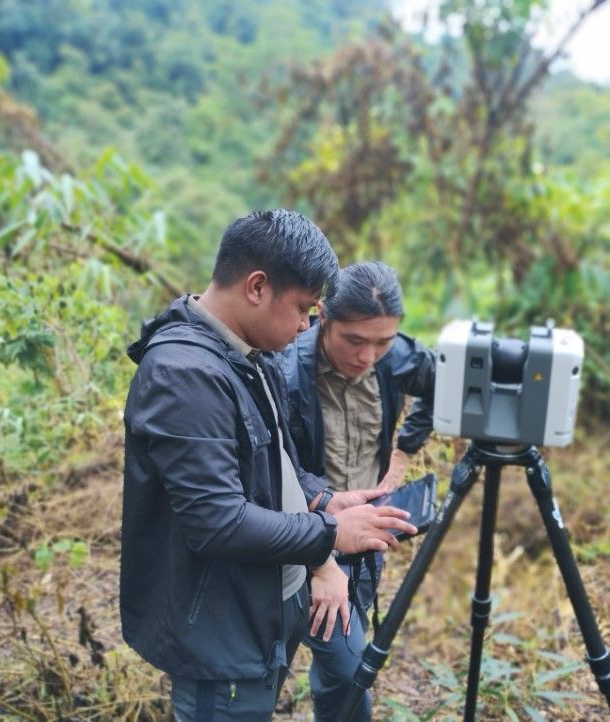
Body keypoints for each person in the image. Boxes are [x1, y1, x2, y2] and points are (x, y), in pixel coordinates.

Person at [120, 210, 418, 722]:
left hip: (256, 612)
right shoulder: (185, 374)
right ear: (257, 287)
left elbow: (274, 461)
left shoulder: (245, 355)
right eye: (302, 308)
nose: (306, 324)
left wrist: (323, 497)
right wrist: (330, 531)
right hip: (219, 630)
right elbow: (218, 522)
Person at [281, 261, 436, 721]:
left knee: (337, 668)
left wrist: (404, 453)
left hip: (366, 545)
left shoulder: (396, 357)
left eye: (382, 342)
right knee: (349, 666)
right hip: (303, 538)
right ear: (323, 316)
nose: (369, 356)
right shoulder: (286, 370)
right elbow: (276, 471)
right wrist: (321, 558)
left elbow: (441, 381)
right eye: (355, 340)